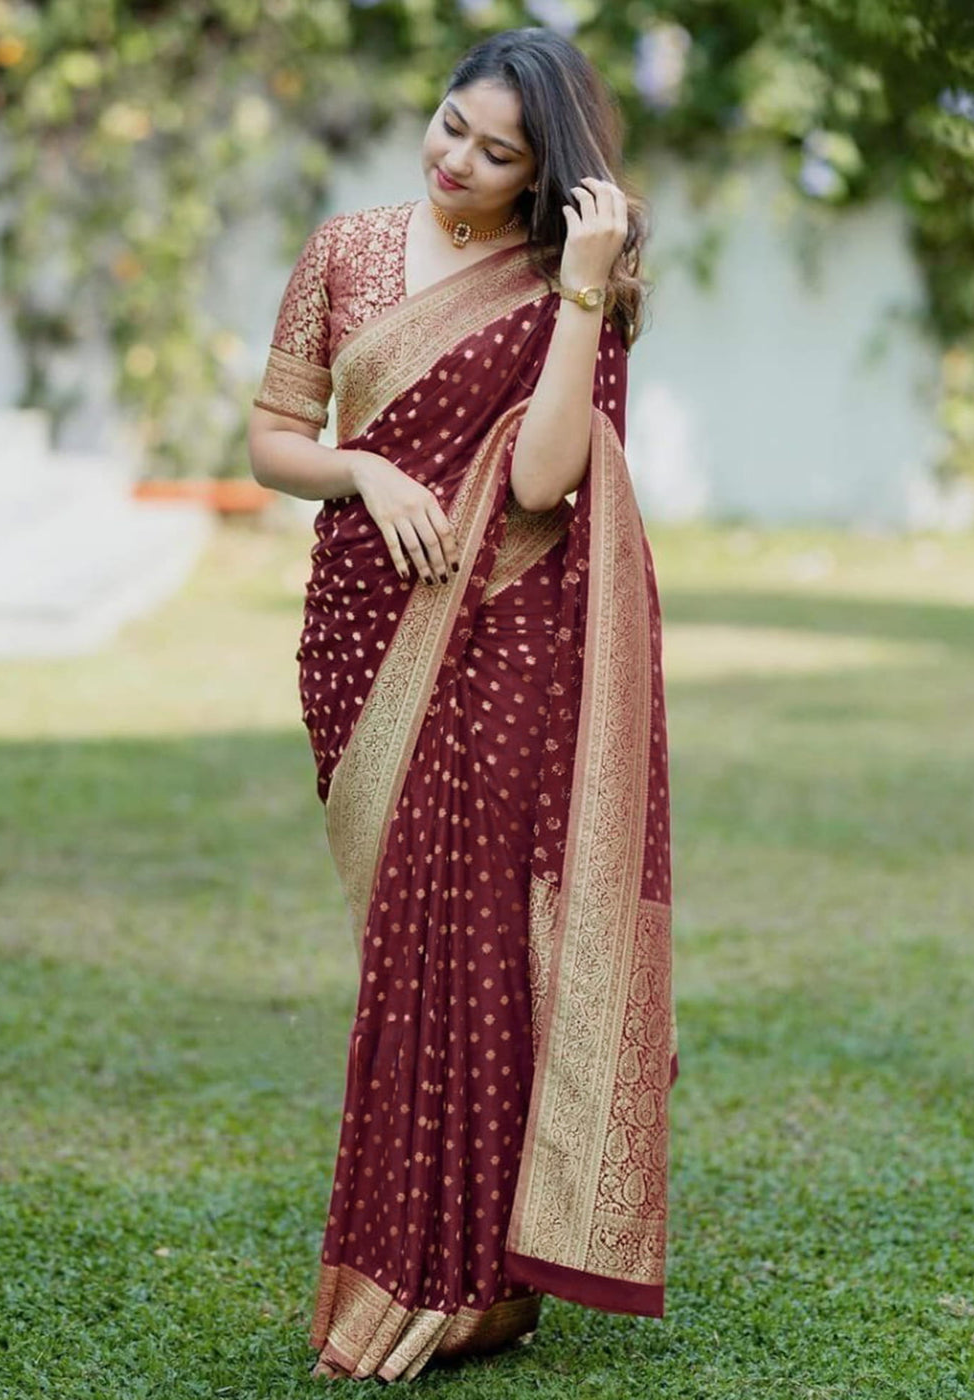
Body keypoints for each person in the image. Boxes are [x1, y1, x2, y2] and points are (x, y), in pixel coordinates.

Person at [246, 26, 677, 1384]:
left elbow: (547, 480)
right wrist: (365, 476)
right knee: (405, 950)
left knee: (478, 953)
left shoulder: (564, 283)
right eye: (450, 127)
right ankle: (434, 1259)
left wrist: (582, 296)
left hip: (509, 645)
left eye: (500, 153)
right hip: (363, 631)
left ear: (545, 171)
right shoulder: (345, 251)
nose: (460, 162)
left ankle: (465, 1277)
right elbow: (273, 437)